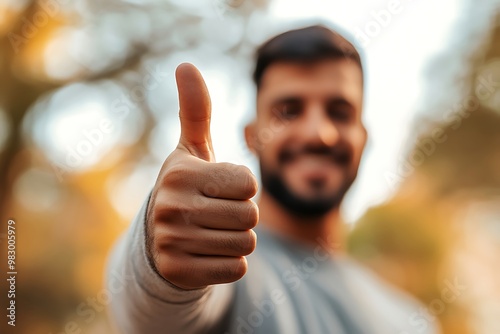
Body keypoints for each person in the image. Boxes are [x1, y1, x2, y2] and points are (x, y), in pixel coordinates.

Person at [106, 25, 439, 334]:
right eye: (288, 111)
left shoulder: (410, 320)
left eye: (339, 112)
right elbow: (155, 308)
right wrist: (155, 256)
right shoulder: (226, 269)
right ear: (251, 137)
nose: (318, 134)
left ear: (363, 138)